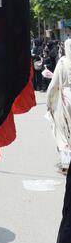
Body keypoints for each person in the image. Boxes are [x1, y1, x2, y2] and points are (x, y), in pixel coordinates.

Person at [47, 39, 71, 175]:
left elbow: (53, 85)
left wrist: (49, 102)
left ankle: (66, 163)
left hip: (65, 100)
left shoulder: (62, 62)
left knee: (63, 132)